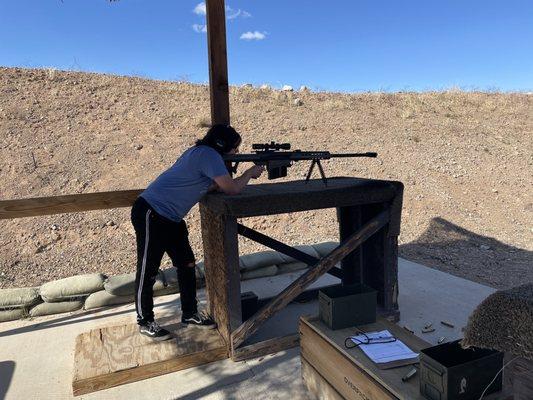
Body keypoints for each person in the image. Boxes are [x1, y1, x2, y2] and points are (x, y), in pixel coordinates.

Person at [130, 124, 264, 340]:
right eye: (234, 147)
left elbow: (210, 184)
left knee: (187, 264)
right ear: (222, 145)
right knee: (148, 270)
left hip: (171, 217)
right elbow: (231, 189)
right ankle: (145, 321)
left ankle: (190, 313)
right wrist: (250, 172)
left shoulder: (201, 153)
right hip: (151, 212)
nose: (236, 152)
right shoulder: (209, 155)